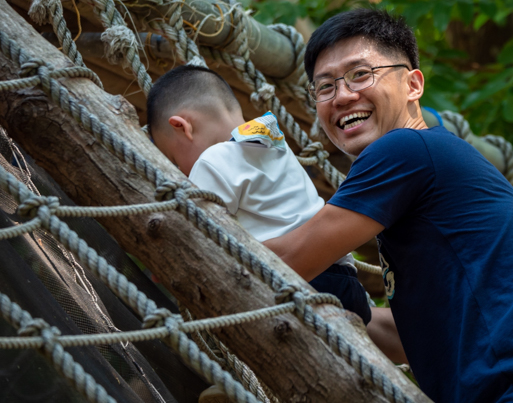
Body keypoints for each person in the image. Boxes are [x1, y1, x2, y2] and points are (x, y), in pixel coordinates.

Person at [264, 9, 513, 403]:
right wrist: (347, 308)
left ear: (413, 84)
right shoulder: (433, 168)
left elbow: (288, 260)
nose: (342, 96)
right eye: (324, 87)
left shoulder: (405, 149)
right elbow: (414, 338)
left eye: (360, 74)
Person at [146, 65, 373, 324]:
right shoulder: (273, 142)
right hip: (345, 280)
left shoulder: (211, 160)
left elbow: (192, 232)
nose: (181, 171)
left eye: (175, 160)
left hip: (303, 280)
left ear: (182, 127)